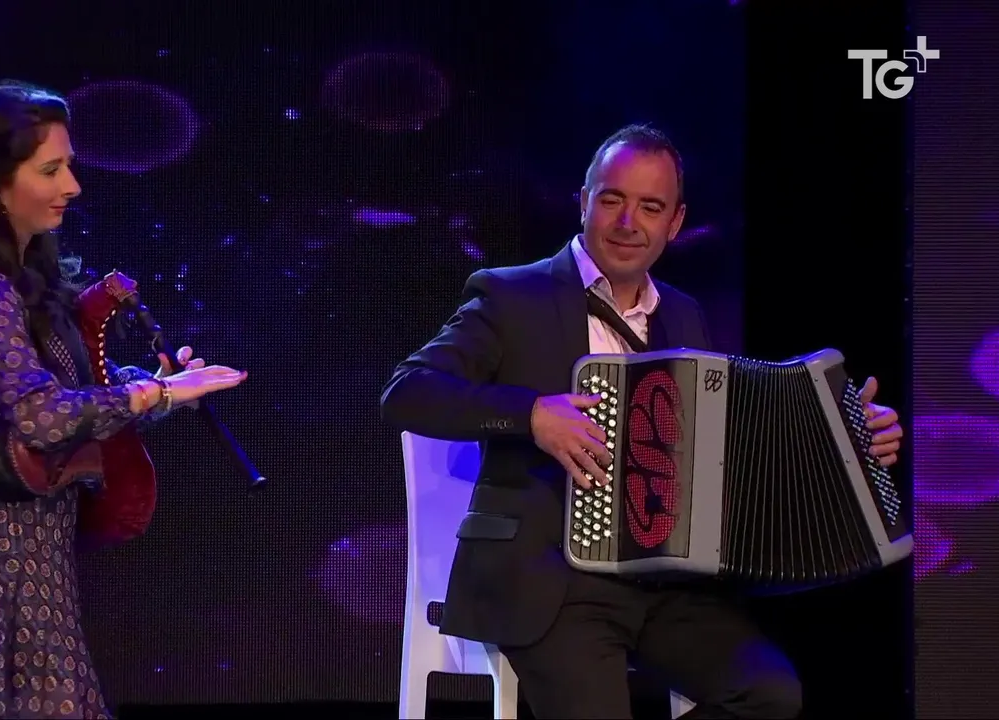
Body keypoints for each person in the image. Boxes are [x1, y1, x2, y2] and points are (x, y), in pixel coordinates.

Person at [380, 124, 904, 719]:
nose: (629, 222)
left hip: (666, 589)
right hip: (550, 585)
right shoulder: (510, 296)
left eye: (650, 207)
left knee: (771, 695)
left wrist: (847, 439)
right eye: (612, 200)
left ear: (674, 223)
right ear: (584, 202)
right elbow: (407, 392)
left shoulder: (683, 314)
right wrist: (531, 414)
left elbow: (733, 447)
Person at [0, 81, 248, 719]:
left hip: (35, 548)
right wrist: (157, 392)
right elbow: (43, 417)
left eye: (69, 166)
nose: (72, 186)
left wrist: (163, 389)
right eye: (51, 170)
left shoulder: (22, 280)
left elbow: (69, 396)